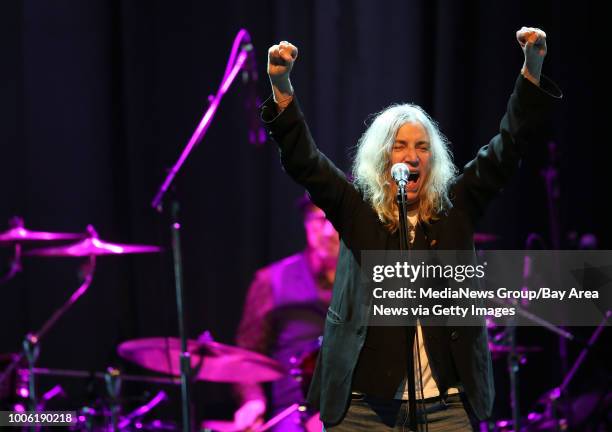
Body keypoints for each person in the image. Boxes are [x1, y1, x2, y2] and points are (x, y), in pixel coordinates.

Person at [261, 27, 562, 431]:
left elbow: (507, 147)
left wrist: (532, 70)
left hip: (447, 404)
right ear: (382, 158)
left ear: (433, 158)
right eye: (400, 146)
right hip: (365, 407)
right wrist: (282, 88)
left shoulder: (455, 207)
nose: (411, 156)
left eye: (421, 147)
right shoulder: (358, 212)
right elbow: (307, 164)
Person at [233, 196, 340, 431]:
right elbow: (245, 355)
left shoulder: (376, 278)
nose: (328, 231)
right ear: (305, 223)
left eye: (337, 219)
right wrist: (252, 400)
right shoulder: (271, 281)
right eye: (319, 219)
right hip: (295, 414)